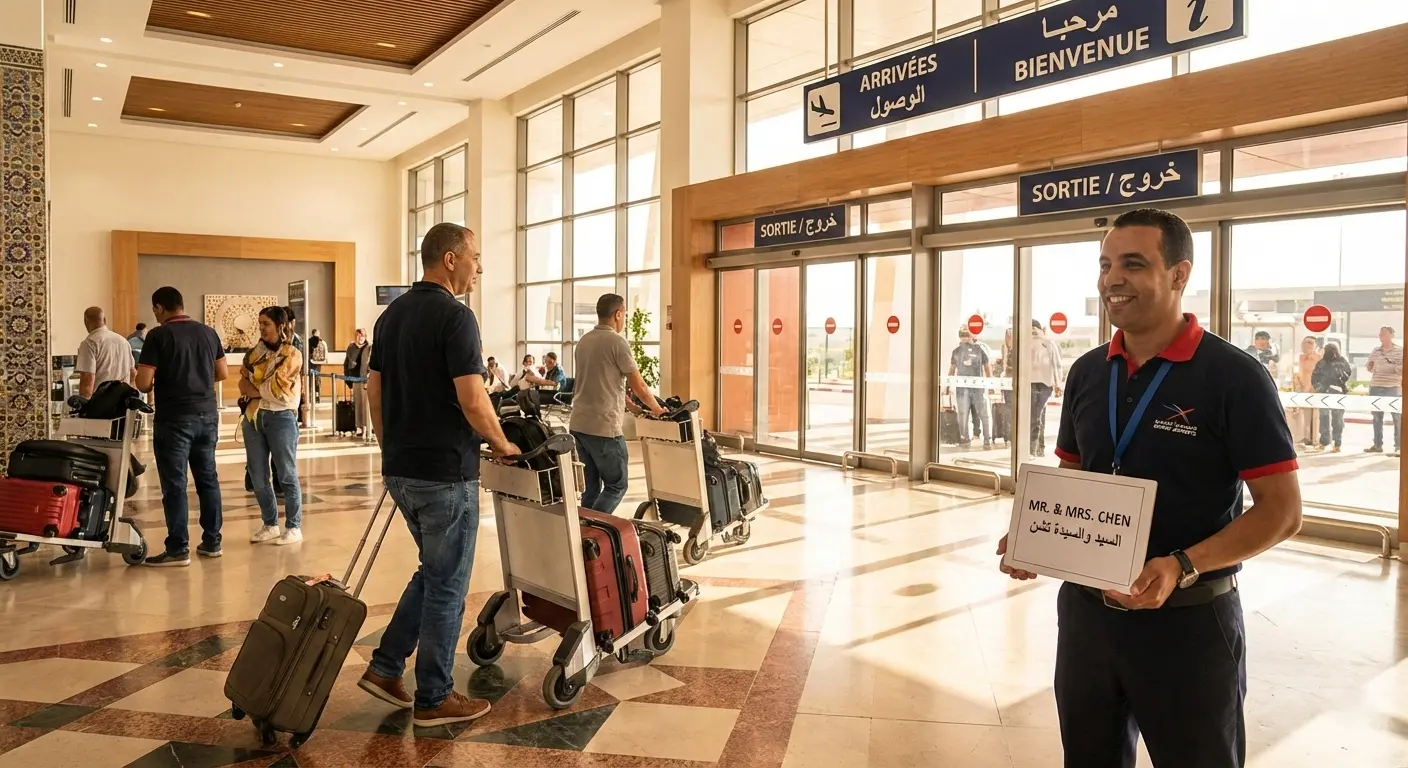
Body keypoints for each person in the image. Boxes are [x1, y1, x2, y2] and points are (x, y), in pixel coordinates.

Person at [998, 208, 1302, 768]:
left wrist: (1180, 565)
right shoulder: (1089, 372)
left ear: (1179, 275)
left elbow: (1282, 512)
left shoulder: (1233, 377)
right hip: (1088, 621)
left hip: (1188, 624)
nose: (1112, 278)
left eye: (1133, 264)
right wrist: (1038, 532)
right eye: (1106, 264)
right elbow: (1076, 476)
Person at [356, 222, 519, 727]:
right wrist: (503, 443)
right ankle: (434, 697)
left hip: (402, 470)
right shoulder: (456, 318)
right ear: (450, 259)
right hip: (446, 473)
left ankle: (385, 667)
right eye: (475, 257)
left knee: (433, 573)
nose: (479, 268)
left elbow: (374, 394)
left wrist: (392, 450)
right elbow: (473, 400)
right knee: (448, 585)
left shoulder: (391, 317)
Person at [135, 287, 229, 567]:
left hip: (174, 418)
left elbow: (142, 383)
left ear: (159, 308)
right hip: (207, 415)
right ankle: (212, 542)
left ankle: (178, 548)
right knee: (208, 479)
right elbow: (222, 373)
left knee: (175, 484)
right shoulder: (208, 333)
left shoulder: (158, 335)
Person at [571, 294, 665, 513]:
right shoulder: (617, 342)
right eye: (624, 315)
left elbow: (601, 381)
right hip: (604, 427)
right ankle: (594, 532)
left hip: (579, 424)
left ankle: (583, 536)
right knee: (616, 485)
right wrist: (657, 409)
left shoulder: (584, 341)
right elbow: (639, 384)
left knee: (591, 488)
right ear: (618, 314)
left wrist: (631, 406)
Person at [242, 306, 305, 546]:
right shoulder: (254, 353)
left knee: (287, 475)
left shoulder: (292, 354)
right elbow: (242, 381)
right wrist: (259, 390)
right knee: (258, 476)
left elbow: (279, 390)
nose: (261, 329)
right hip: (254, 417)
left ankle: (294, 526)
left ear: (280, 326)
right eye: (260, 324)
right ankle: (270, 524)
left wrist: (256, 390)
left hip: (281, 419)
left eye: (266, 324)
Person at [945, 328, 992, 448]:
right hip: (966, 388)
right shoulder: (957, 351)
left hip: (976, 387)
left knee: (979, 414)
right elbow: (952, 368)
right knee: (965, 414)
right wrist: (947, 384)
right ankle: (967, 439)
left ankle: (985, 440)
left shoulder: (979, 349)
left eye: (966, 335)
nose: (964, 338)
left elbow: (987, 366)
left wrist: (990, 383)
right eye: (962, 335)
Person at [76, 306, 135, 398]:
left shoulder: (90, 343)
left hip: (100, 402)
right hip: (121, 402)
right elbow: (133, 373)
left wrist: (84, 407)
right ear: (105, 320)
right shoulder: (123, 341)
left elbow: (87, 378)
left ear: (86, 321)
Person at [1029, 319, 1064, 457]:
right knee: (1037, 416)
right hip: (1030, 383)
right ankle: (1039, 448)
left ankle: (1032, 449)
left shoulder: (1049, 344)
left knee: (1035, 416)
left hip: (1045, 384)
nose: (1032, 332)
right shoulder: (1024, 343)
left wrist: (1057, 383)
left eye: (1034, 329)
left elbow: (1057, 364)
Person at [1365, 325, 1402, 456]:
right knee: (1376, 417)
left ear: (1391, 335)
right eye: (1380, 334)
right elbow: (1369, 367)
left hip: (1392, 387)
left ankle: (1399, 446)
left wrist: (1389, 367)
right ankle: (1377, 444)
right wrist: (1370, 366)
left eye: (1384, 333)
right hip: (1376, 385)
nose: (1381, 336)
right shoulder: (1376, 350)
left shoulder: (1400, 351)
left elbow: (1401, 368)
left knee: (1397, 417)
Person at [1312, 342, 1352, 453]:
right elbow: (1315, 376)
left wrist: (1340, 379)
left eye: (1333, 349)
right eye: (1328, 349)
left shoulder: (1342, 361)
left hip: (1338, 393)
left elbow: (1348, 373)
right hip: (1323, 393)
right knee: (1323, 418)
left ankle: (1337, 443)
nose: (1331, 351)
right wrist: (1319, 387)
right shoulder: (1321, 362)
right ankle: (1324, 441)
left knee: (1337, 419)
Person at [1292, 336, 1322, 449]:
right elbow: (1298, 371)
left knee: (1315, 415)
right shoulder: (1301, 358)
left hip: (1315, 389)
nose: (1306, 346)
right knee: (1304, 414)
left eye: (1309, 343)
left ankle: (1315, 437)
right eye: (1304, 344)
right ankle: (1305, 436)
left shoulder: (1319, 357)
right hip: (1303, 388)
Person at [345, 328, 372, 436]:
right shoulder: (351, 347)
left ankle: (368, 426)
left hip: (365, 379)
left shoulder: (369, 347)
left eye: (362, 335)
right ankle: (359, 426)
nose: (360, 337)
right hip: (355, 379)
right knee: (358, 403)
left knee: (366, 404)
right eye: (358, 335)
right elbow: (347, 363)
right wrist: (348, 379)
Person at [307, 328, 328, 403]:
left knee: (310, 379)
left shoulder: (309, 341)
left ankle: (310, 395)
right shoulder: (323, 342)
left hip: (311, 362)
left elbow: (307, 352)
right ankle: (317, 396)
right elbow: (326, 354)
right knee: (317, 379)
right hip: (318, 363)